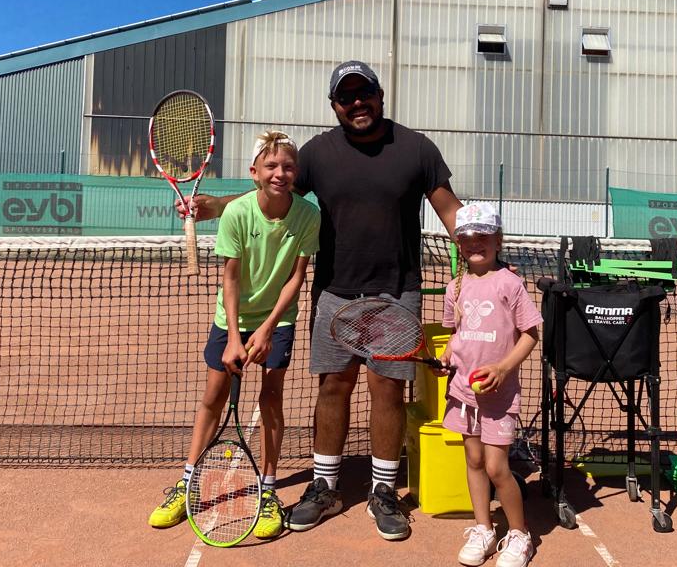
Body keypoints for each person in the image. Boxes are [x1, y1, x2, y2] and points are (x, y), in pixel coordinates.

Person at [183, 60, 462, 541]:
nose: (357, 103)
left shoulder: (417, 148)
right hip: (334, 291)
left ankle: (382, 491)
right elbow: (272, 192)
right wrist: (216, 207)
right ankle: (325, 485)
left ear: (379, 94)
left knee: (388, 392)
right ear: (334, 105)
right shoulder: (316, 153)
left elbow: (450, 209)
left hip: (397, 293)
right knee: (333, 387)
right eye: (345, 97)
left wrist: (485, 252)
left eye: (364, 93)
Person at [148, 130, 320, 540]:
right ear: (254, 172)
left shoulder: (308, 215)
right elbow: (230, 278)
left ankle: (267, 489)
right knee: (213, 396)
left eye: (288, 167)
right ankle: (187, 481)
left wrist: (265, 328)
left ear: (296, 173)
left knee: (272, 398)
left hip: (277, 318)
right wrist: (233, 337)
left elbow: (296, 277)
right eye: (272, 166)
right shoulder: (237, 213)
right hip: (232, 318)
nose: (280, 173)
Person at [439, 203, 540, 567]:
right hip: (463, 391)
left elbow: (530, 334)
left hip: (499, 394)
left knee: (498, 467)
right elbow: (456, 334)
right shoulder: (456, 286)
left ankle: (519, 534)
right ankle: (483, 528)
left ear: (498, 240)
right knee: (475, 459)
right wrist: (448, 355)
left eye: (483, 236)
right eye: (467, 238)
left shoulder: (510, 283)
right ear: (458, 244)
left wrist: (502, 368)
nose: (474, 243)